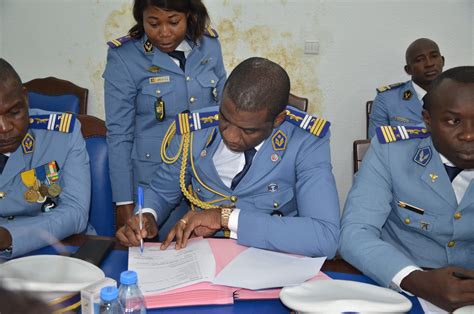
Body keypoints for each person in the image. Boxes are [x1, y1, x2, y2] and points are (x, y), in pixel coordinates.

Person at [116, 57, 340, 257]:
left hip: (270, 261)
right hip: (199, 261)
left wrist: (225, 218)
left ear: (278, 120)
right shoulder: (194, 130)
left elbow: (325, 236)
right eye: (224, 118)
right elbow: (162, 191)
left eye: (248, 130)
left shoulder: (305, 142)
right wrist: (147, 215)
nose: (231, 136)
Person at [340, 66, 474, 311]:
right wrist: (414, 279)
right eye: (453, 121)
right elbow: (355, 232)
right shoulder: (391, 152)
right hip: (403, 285)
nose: (468, 135)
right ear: (428, 121)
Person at [103, 0, 227, 236]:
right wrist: (123, 201)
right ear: (142, 19)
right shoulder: (125, 57)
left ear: (188, 15)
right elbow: (119, 134)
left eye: (173, 22)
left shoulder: (208, 45)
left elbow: (222, 114)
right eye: (153, 23)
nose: (164, 33)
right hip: (152, 184)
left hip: (205, 182)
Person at [0, 59, 90, 258]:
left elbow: (76, 212)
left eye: (14, 112)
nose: (5, 128)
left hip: (56, 249)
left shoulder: (62, 134)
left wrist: (11, 236)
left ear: (26, 98)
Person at [368, 38, 445, 138]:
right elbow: (376, 146)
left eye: (434, 56)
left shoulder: (460, 96)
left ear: (442, 61)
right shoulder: (387, 100)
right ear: (408, 70)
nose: (429, 64)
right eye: (419, 60)